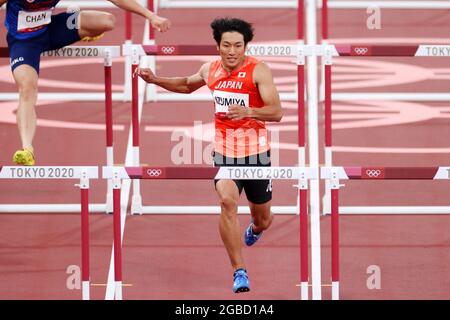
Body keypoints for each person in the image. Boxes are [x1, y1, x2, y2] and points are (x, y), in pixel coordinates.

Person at [136, 17, 283, 293]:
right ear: (217, 46)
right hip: (225, 152)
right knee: (227, 202)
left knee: (264, 218)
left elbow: (276, 111)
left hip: (257, 154)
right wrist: (155, 80)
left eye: (238, 46)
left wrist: (249, 111)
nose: (232, 51)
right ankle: (239, 271)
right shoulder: (210, 70)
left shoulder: (259, 71)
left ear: (245, 46)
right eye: (226, 45)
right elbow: (185, 85)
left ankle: (257, 228)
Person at [2, 0, 171, 165]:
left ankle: (81, 30)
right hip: (24, 42)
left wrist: (151, 16)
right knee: (27, 88)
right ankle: (27, 148)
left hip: (51, 30)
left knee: (107, 21)